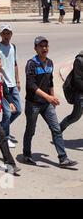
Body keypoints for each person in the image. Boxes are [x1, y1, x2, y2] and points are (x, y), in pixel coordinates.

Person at [23, 36, 78, 168]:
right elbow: (31, 85)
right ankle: (26, 154)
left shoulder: (50, 62)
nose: (44, 48)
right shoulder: (31, 63)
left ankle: (63, 158)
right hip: (33, 104)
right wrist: (48, 97)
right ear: (35, 48)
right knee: (30, 130)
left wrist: (52, 98)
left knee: (56, 129)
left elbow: (50, 82)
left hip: (47, 104)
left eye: (46, 45)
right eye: (41, 46)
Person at [0, 25, 22, 148]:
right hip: (2, 86)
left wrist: (17, 81)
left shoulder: (13, 47)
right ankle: (5, 137)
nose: (6, 35)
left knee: (18, 110)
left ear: (11, 34)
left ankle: (1, 128)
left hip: (13, 84)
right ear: (1, 35)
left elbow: (15, 64)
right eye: (4, 33)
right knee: (7, 112)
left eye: (8, 33)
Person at [60, 50, 83, 133]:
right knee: (75, 117)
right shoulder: (79, 60)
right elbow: (78, 81)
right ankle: (58, 130)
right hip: (81, 95)